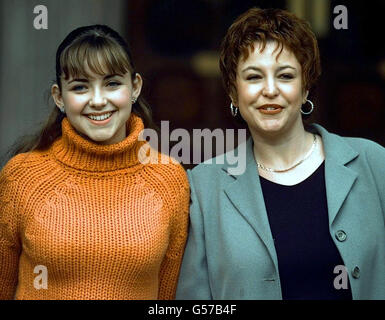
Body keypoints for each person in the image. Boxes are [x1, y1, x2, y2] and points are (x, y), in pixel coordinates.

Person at [176, 8, 385, 300]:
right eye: (253, 77)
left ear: (305, 87)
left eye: (285, 75)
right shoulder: (204, 186)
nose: (270, 90)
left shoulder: (373, 163)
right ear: (234, 93)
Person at [0, 25, 189, 300]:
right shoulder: (22, 176)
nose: (98, 101)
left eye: (112, 83)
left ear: (134, 87)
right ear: (59, 97)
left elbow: (167, 295)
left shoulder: (169, 178)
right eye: (80, 87)